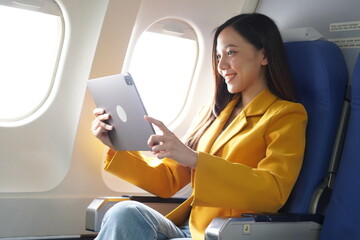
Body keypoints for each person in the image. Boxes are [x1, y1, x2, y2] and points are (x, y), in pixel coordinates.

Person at [91, 13, 307, 240]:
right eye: (218, 55)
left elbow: (272, 192)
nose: (221, 65)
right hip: (189, 230)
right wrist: (115, 142)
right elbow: (168, 181)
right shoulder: (213, 113)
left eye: (231, 52)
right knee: (125, 212)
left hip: (226, 233)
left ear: (263, 55)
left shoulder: (286, 115)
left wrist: (195, 159)